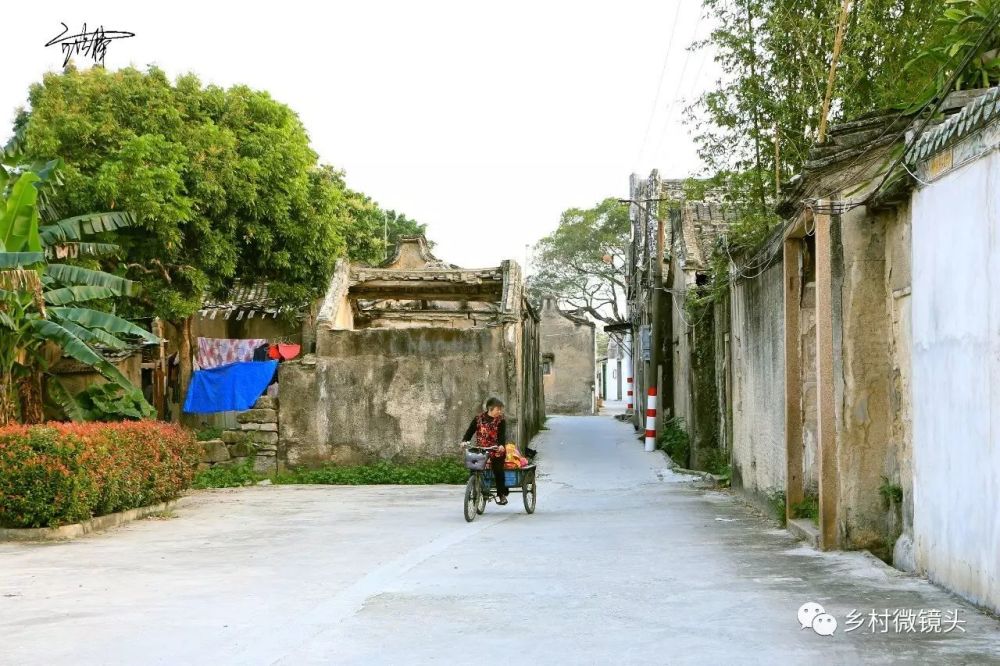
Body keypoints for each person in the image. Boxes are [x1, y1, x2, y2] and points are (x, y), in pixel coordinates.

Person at [462, 397, 509, 505]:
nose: (500, 411)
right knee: (473, 468)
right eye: (498, 409)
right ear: (490, 408)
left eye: (500, 409)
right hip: (481, 449)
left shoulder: (501, 420)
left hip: (495, 449)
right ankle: (474, 488)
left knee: (498, 470)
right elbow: (470, 432)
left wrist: (501, 445)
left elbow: (502, 435)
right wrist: (464, 441)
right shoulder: (478, 419)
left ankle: (501, 494)